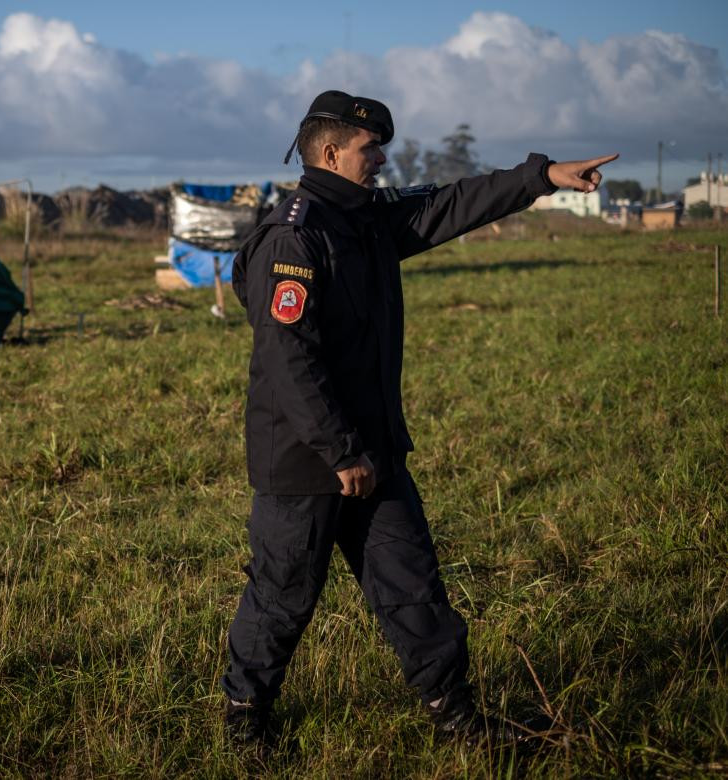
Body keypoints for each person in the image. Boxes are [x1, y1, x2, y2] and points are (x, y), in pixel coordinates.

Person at [221, 89, 616, 746]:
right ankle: (245, 720)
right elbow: (290, 359)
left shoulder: (366, 219)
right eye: (369, 148)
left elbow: (448, 205)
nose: (379, 159)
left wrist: (540, 178)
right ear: (328, 151)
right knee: (282, 596)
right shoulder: (296, 233)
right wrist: (340, 451)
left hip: (372, 451)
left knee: (413, 586)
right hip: (305, 459)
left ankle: (457, 719)